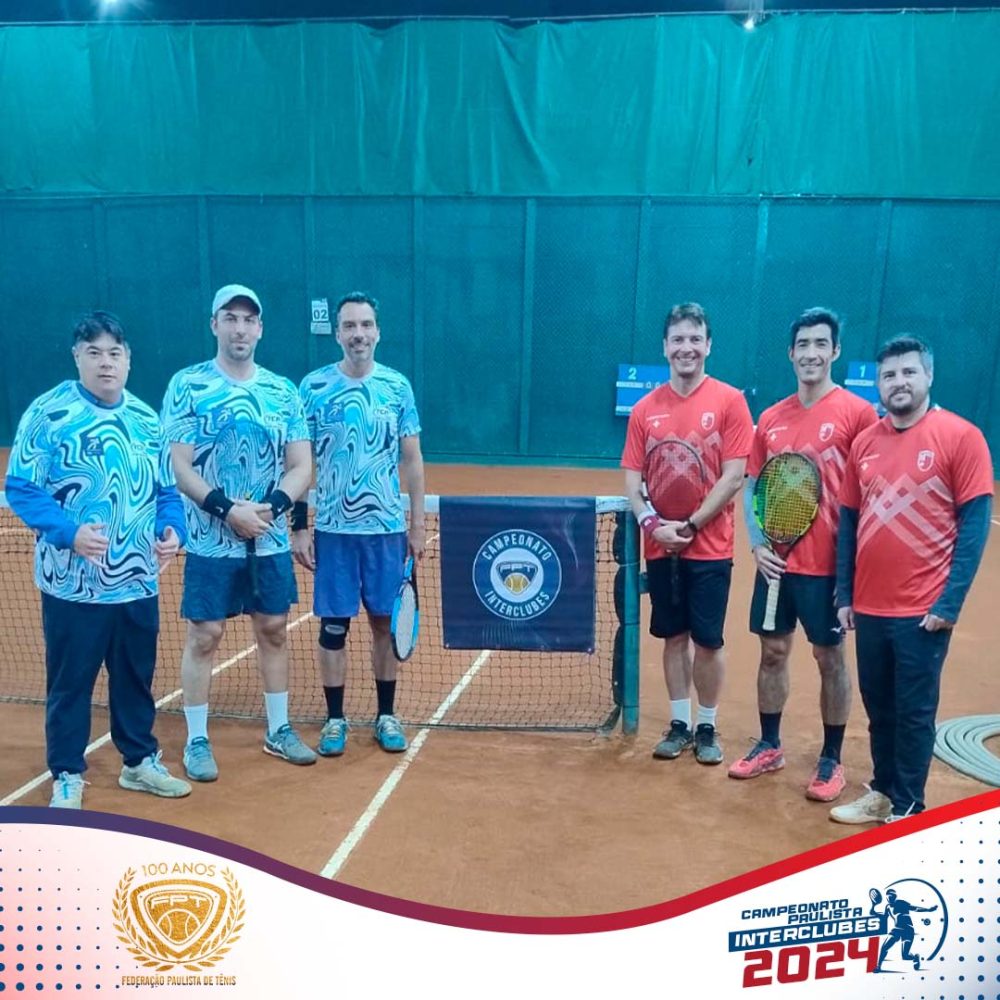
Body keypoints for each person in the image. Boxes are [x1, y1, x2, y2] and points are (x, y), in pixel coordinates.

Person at [6, 311, 191, 809]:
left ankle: (139, 762)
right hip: (72, 586)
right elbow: (22, 487)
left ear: (128, 360)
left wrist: (172, 530)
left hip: (137, 583)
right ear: (77, 358)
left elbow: (166, 492)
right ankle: (67, 772)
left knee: (135, 678)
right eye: (94, 353)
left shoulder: (147, 420)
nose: (105, 362)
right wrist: (69, 533)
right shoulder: (48, 413)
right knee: (71, 684)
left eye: (114, 353)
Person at [831, 336, 993, 824]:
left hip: (923, 611)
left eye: (908, 372)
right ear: (878, 384)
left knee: (914, 713)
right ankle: (883, 792)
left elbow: (974, 528)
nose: (898, 382)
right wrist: (845, 593)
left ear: (928, 376)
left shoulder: (961, 437)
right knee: (879, 709)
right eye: (889, 375)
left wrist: (949, 603)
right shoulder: (865, 443)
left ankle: (908, 808)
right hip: (869, 607)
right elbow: (849, 523)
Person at [161, 285, 315, 781]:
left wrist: (270, 510)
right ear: (215, 325)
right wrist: (226, 510)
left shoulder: (283, 392)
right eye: (230, 318)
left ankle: (279, 729)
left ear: (260, 329)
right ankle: (197, 739)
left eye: (249, 320)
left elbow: (301, 465)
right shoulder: (188, 385)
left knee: (273, 629)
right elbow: (178, 465)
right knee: (204, 635)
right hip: (209, 540)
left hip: (268, 538)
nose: (240, 328)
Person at [729, 308, 878, 801]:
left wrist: (854, 564)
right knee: (772, 652)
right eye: (803, 345)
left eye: (821, 344)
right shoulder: (771, 419)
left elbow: (869, 490)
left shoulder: (858, 414)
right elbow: (753, 485)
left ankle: (832, 757)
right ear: (791, 353)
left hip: (827, 568)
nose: (811, 353)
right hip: (776, 563)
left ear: (835, 351)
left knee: (829, 656)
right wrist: (756, 542)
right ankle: (770, 745)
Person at [294, 292, 426, 756]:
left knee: (384, 625)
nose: (358, 334)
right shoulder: (313, 388)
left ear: (378, 332)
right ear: (337, 334)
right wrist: (299, 526)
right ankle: (335, 720)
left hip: (386, 531)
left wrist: (416, 525)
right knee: (333, 629)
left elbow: (412, 460)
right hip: (333, 532)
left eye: (366, 325)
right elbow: (300, 464)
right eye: (349, 326)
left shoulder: (397, 387)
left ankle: (386, 715)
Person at [621, 302, 754, 764]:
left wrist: (692, 524)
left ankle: (707, 726)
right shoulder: (645, 410)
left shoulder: (730, 401)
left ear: (708, 345)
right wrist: (652, 525)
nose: (686, 348)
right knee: (673, 637)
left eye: (695, 339)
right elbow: (632, 480)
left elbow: (734, 476)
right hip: (660, 547)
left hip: (710, 549)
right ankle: (680, 724)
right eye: (678, 339)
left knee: (708, 641)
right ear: (665, 346)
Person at [871, 888, 938, 972]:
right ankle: (878, 967)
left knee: (905, 956)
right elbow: (884, 917)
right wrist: (874, 913)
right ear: (886, 897)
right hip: (896, 929)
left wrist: (928, 909)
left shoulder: (901, 903)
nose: (890, 898)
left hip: (908, 930)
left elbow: (915, 908)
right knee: (884, 947)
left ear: (895, 897)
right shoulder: (887, 907)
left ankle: (915, 957)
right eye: (888, 897)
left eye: (892, 897)